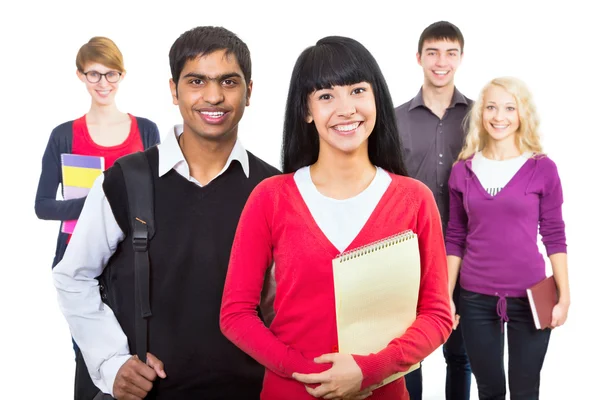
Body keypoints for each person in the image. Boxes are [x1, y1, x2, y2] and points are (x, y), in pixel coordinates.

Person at [52, 26, 279, 399]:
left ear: (249, 92)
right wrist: (112, 363)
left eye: (228, 81)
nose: (213, 96)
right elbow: (73, 276)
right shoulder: (126, 180)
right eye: (196, 81)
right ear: (174, 91)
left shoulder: (273, 189)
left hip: (251, 391)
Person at [220, 36, 452, 400]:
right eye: (326, 96)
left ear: (377, 99)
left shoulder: (414, 200)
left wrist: (368, 371)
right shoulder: (271, 197)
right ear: (307, 110)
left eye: (358, 90)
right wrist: (314, 375)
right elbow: (236, 314)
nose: (346, 108)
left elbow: (437, 315)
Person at [34, 36, 160, 400]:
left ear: (122, 76)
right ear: (80, 76)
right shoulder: (63, 136)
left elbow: (155, 197)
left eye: (111, 74)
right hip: (77, 259)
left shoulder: (146, 130)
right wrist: (98, 204)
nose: (103, 83)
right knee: (89, 355)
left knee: (139, 352)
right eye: (94, 74)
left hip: (133, 256)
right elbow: (43, 205)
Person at [445, 76, 570, 399]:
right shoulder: (462, 171)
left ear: (521, 115)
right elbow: (456, 236)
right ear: (481, 114)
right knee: (489, 390)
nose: (499, 116)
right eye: (491, 107)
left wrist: (564, 295)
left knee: (525, 390)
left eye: (509, 108)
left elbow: (555, 234)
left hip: (532, 296)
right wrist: (445, 295)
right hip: (474, 298)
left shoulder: (543, 169)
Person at [394, 20, 472, 400]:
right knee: (410, 354)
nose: (442, 62)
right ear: (419, 57)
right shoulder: (394, 119)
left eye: (450, 53)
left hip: (468, 252)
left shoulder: (481, 117)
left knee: (461, 354)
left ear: (460, 58)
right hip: (411, 252)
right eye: (433, 53)